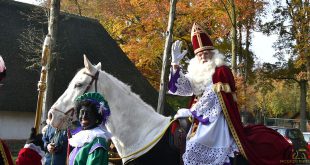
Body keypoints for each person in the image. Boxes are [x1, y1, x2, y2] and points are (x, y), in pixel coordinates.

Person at [169, 22, 292, 165]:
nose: (203, 57)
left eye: (206, 53)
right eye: (200, 55)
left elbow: (215, 97)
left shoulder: (221, 71)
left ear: (213, 53)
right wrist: (175, 65)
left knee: (194, 146)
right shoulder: (197, 72)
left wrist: (193, 111)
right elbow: (182, 88)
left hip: (215, 120)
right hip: (198, 119)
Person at [68, 92, 111, 165]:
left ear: (96, 117)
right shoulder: (82, 138)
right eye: (82, 112)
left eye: (88, 113)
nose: (84, 116)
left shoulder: (98, 142)